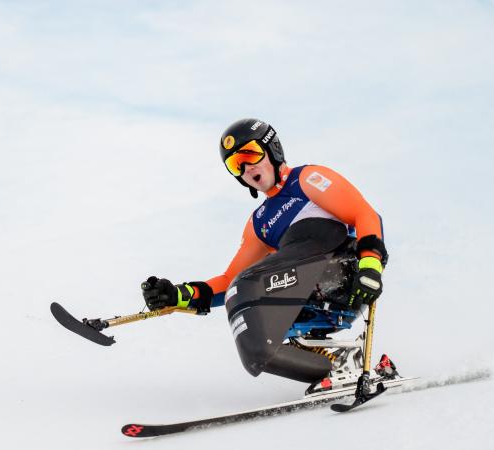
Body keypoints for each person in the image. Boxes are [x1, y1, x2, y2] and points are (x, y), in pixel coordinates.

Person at [142, 118, 388, 384]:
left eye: (250, 154)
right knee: (241, 289)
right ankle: (335, 365)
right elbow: (229, 283)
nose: (246, 168)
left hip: (343, 271)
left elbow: (364, 213)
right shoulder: (260, 222)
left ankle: (328, 363)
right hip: (306, 282)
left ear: (273, 150)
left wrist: (371, 265)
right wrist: (179, 295)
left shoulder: (306, 179)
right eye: (236, 165)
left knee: (247, 285)